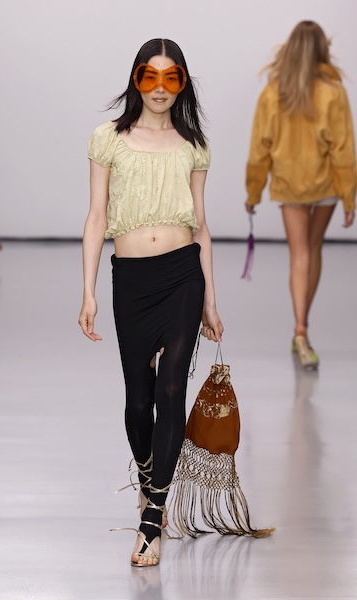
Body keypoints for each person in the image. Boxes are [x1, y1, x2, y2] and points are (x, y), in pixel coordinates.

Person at [78, 38, 223, 567]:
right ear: (136, 79)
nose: (160, 88)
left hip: (183, 275)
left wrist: (210, 300)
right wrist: (89, 289)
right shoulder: (109, 138)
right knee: (139, 399)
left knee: (171, 389)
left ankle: (152, 517)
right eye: (149, 76)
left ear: (182, 82)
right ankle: (147, 479)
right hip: (132, 280)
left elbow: (201, 225)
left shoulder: (194, 144)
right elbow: (97, 216)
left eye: (171, 77)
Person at [245, 20, 356, 369]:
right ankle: (302, 329)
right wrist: (349, 197)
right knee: (313, 249)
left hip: (290, 185)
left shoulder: (274, 92)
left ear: (290, 49)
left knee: (299, 255)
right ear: (323, 49)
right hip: (324, 185)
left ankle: (300, 330)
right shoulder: (333, 91)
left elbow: (260, 147)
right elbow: (343, 150)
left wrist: (253, 192)